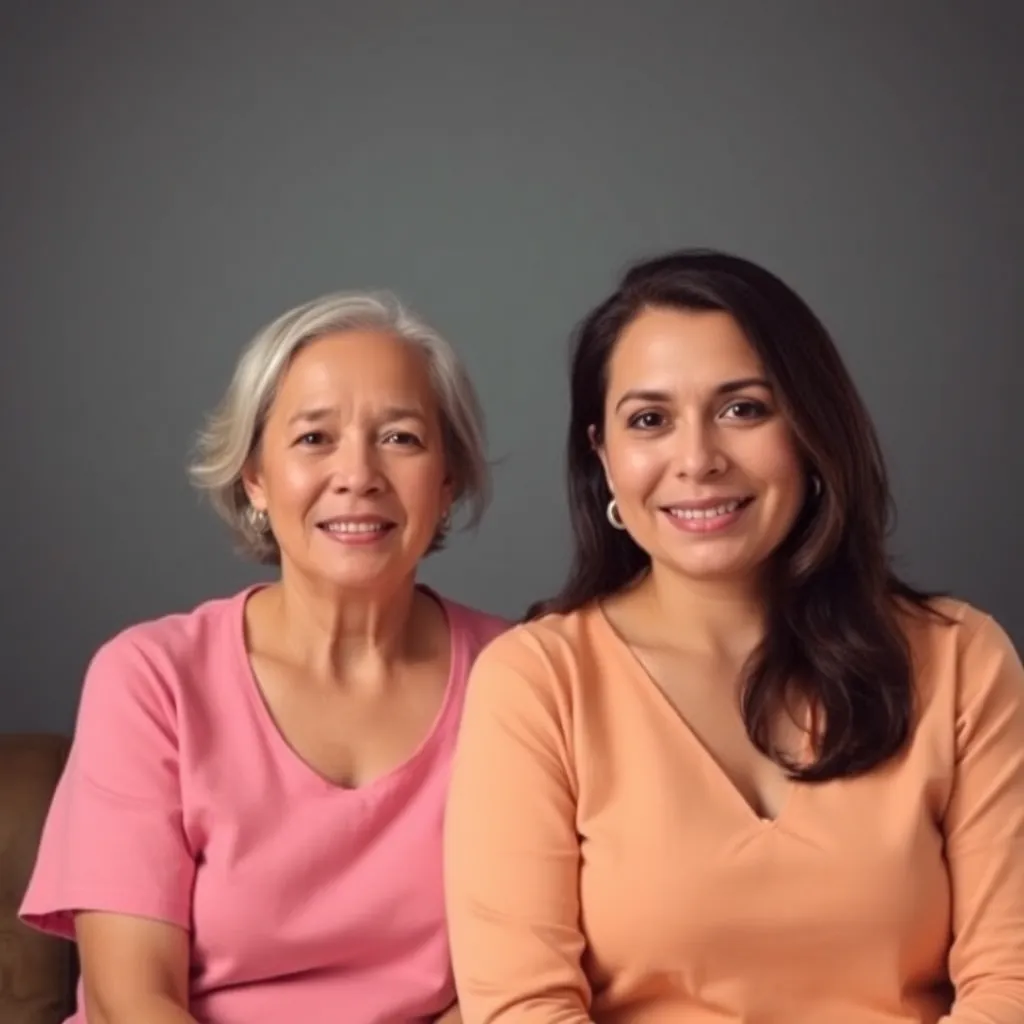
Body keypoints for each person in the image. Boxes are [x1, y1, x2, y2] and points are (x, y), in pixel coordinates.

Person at [443, 249, 1024, 1023]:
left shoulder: (961, 656)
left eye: (743, 409)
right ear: (603, 456)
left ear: (812, 428)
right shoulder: (536, 682)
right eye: (650, 420)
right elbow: (522, 1008)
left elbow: (1010, 983)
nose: (698, 460)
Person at [20, 291, 507, 1023]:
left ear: (448, 482)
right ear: (254, 477)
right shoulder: (152, 679)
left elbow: (517, 983)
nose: (358, 475)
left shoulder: (520, 676)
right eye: (314, 439)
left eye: (401, 438)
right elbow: (134, 1001)